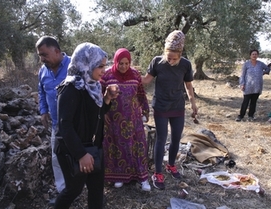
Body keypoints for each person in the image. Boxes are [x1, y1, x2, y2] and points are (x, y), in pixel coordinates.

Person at [53, 42, 119, 209]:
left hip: (93, 148)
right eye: (100, 66)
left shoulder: (93, 86)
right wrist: (81, 155)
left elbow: (97, 113)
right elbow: (64, 125)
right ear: (86, 64)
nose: (104, 71)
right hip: (73, 150)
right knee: (73, 190)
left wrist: (107, 98)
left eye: (105, 66)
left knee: (96, 190)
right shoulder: (70, 89)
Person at [141, 30, 198, 190]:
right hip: (160, 105)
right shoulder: (157, 62)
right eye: (169, 57)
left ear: (180, 54)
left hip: (177, 106)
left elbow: (188, 85)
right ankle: (157, 173)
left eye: (174, 58)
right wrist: (128, 75)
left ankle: (171, 165)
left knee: (176, 139)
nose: (171, 60)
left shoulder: (186, 64)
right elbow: (146, 80)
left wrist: (193, 103)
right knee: (161, 138)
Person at [100, 48, 151, 191]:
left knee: (137, 147)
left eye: (126, 63)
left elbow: (141, 93)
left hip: (133, 119)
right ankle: (118, 176)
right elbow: (99, 95)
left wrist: (145, 110)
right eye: (120, 63)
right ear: (115, 62)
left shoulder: (135, 75)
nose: (123, 66)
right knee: (116, 147)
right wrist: (102, 113)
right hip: (113, 119)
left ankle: (142, 178)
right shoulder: (107, 75)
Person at [36, 36, 71, 193]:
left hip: (75, 124)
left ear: (57, 51)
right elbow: (41, 92)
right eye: (40, 56)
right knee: (57, 158)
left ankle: (80, 188)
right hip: (56, 124)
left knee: (78, 156)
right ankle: (62, 191)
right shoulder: (43, 71)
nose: (42, 59)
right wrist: (43, 111)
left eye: (44, 55)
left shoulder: (73, 66)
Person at [235, 50, 270, 122]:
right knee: (245, 102)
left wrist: (263, 73)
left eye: (256, 54)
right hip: (248, 86)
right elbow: (242, 75)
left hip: (257, 86)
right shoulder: (246, 64)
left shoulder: (260, 64)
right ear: (250, 55)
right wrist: (242, 84)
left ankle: (251, 116)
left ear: (257, 55)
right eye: (253, 54)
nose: (254, 55)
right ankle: (241, 116)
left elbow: (267, 68)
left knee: (253, 102)